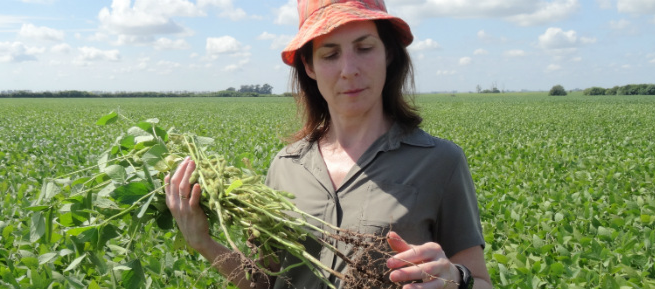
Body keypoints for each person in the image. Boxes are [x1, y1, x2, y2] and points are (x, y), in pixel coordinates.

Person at [165, 0, 492, 288]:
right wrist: (202, 241)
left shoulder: (440, 162)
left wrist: (456, 280)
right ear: (309, 66)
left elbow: (480, 281)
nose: (349, 70)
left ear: (388, 53)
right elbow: (263, 282)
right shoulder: (286, 165)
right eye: (330, 54)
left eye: (364, 48)